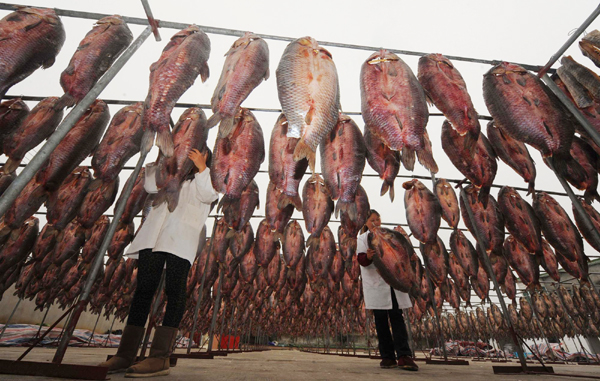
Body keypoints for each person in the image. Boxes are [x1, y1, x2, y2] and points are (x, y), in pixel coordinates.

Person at [99, 148, 218, 377]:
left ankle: (160, 357)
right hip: (153, 238)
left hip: (179, 241)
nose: (190, 154)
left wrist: (203, 167)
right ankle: (125, 354)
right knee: (143, 291)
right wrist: (162, 159)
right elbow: (151, 186)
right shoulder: (170, 175)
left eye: (198, 152)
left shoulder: (203, 181)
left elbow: (209, 195)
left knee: (174, 292)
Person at [356, 209, 418, 371]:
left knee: (397, 318)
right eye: (372, 220)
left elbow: (402, 250)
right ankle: (387, 357)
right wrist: (368, 256)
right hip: (377, 285)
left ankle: (404, 355)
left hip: (394, 283)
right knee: (381, 321)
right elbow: (361, 259)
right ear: (366, 223)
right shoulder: (363, 238)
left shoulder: (390, 234)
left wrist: (410, 256)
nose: (376, 222)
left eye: (378, 219)